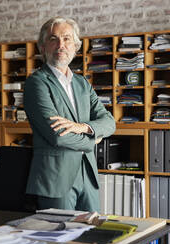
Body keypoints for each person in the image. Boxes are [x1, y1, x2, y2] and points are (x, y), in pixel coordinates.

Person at [23, 17, 115, 212]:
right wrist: (93, 140)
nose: (61, 45)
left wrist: (84, 127)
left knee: (92, 238)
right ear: (42, 47)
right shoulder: (37, 83)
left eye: (66, 39)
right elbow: (57, 136)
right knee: (61, 240)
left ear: (76, 46)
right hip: (56, 179)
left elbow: (109, 122)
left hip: (88, 176)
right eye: (53, 39)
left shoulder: (82, 83)